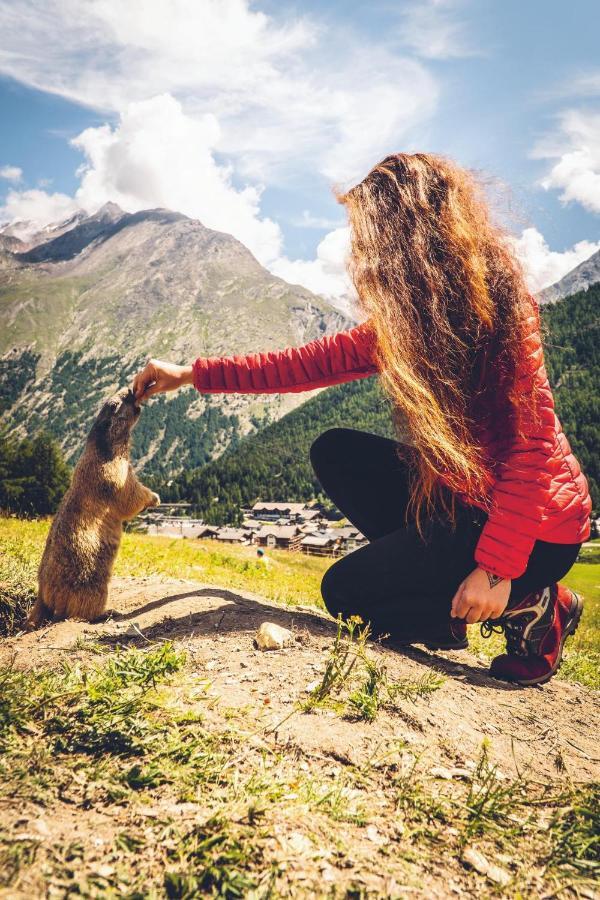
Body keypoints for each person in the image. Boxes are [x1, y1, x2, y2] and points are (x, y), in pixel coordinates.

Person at [133, 153, 591, 687]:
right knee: (335, 451)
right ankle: (445, 576)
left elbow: (531, 455)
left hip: (539, 531)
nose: (364, 254)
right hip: (472, 505)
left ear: (410, 236)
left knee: (344, 596)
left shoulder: (505, 312)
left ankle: (534, 603)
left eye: (372, 236)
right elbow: (302, 365)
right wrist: (189, 374)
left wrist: (496, 570)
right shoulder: (412, 322)